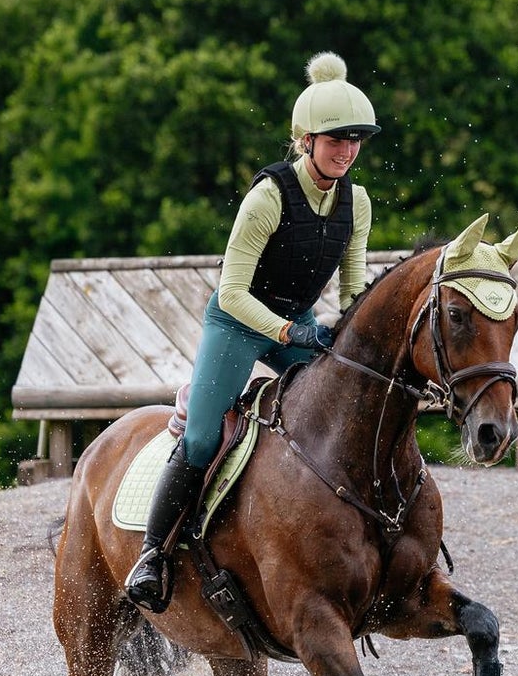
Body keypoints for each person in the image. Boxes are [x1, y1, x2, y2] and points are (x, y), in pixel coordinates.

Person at [124, 52, 379, 612]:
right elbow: (233, 291)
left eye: (356, 139)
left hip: (300, 325)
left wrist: (349, 333)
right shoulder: (268, 196)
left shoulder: (356, 201)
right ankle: (152, 555)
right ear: (305, 139)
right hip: (239, 323)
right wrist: (292, 332)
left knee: (345, 412)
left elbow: (354, 287)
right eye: (336, 139)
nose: (347, 150)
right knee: (200, 439)